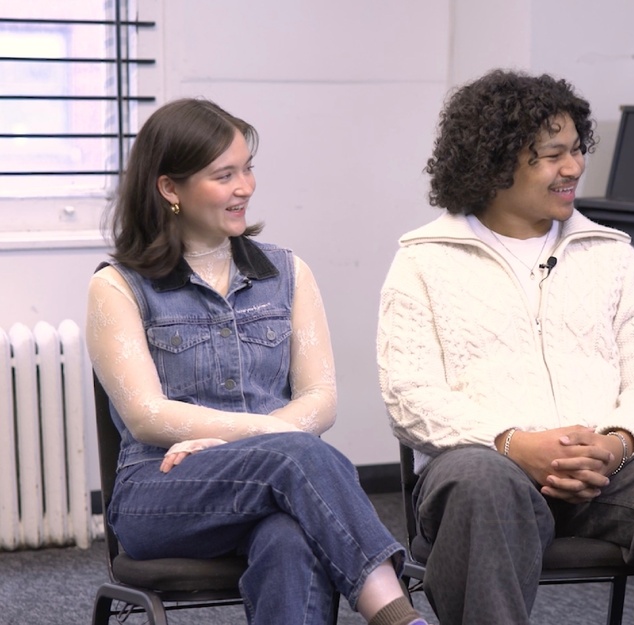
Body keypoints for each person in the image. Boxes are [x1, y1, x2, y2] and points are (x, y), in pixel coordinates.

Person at [377, 69, 634, 625]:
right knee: (480, 482)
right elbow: (408, 397)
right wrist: (513, 444)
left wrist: (617, 443)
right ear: (495, 163)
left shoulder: (613, 255)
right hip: (487, 468)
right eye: (553, 155)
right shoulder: (423, 260)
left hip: (609, 472)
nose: (574, 167)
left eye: (577, 149)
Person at [86, 98, 426, 625]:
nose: (245, 186)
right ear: (170, 188)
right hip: (162, 490)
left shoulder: (289, 273)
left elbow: (321, 401)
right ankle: (397, 614)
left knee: (289, 537)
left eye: (247, 169)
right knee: (297, 456)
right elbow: (147, 416)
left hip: (277, 482)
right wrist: (263, 438)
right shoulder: (116, 287)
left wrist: (233, 442)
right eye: (224, 175)